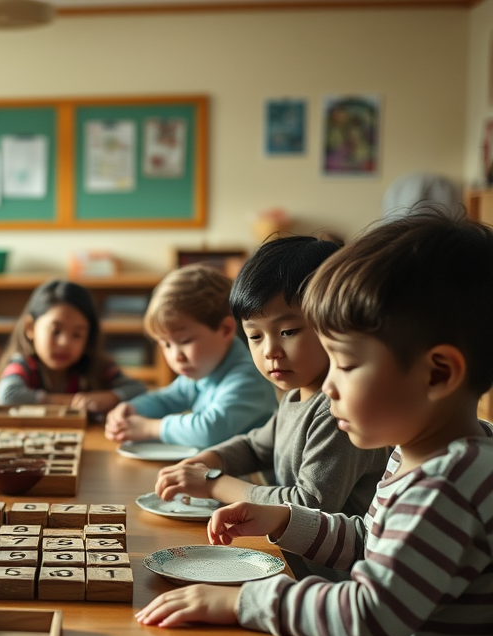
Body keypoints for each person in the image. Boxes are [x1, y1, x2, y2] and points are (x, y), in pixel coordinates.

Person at [136, 213, 493, 636]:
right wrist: (282, 521)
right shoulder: (418, 453)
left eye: (345, 364)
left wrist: (242, 602)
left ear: (437, 373)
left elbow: (369, 613)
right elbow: (369, 539)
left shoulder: (449, 486)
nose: (327, 385)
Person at [152, 236, 389, 580]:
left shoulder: (338, 409)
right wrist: (209, 460)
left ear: (335, 321)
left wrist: (213, 482)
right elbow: (254, 445)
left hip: (328, 582)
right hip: (288, 561)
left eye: (289, 331)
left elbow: (306, 505)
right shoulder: (296, 395)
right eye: (255, 336)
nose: (270, 351)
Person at [104, 264, 276, 449]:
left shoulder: (249, 378)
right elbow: (168, 399)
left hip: (252, 477)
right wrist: (133, 409)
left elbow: (209, 430)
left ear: (225, 330)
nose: (175, 356)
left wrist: (152, 428)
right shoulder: (203, 370)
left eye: (184, 341)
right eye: (166, 344)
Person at [0, 279, 146, 415]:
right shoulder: (23, 364)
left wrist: (110, 397)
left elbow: (140, 390)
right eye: (56, 331)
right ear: (30, 328)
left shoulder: (98, 366)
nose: (65, 343)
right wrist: (71, 402)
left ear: (89, 338)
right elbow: (7, 395)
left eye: (77, 335)